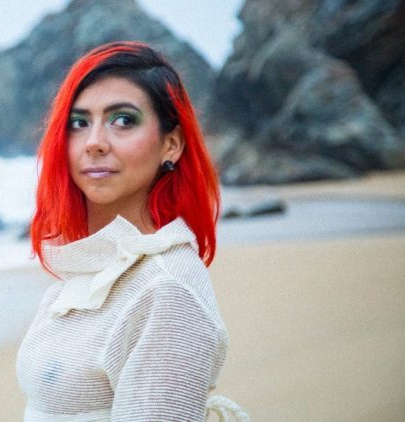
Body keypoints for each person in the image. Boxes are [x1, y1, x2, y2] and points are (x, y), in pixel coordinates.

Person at [16, 41, 249, 421]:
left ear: (171, 144)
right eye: (79, 123)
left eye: (123, 120)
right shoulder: (86, 271)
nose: (94, 142)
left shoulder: (166, 291)